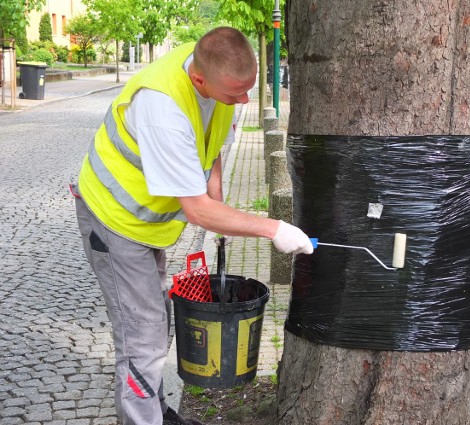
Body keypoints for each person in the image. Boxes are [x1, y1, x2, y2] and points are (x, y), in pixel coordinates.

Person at [72, 27, 313, 425]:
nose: (244, 100)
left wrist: (218, 196)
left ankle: (155, 411)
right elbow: (198, 211)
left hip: (147, 225)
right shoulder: (162, 109)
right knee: (143, 334)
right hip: (113, 220)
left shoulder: (212, 65)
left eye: (248, 89)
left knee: (155, 322)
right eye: (236, 93)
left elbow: (212, 144)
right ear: (199, 79)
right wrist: (273, 229)